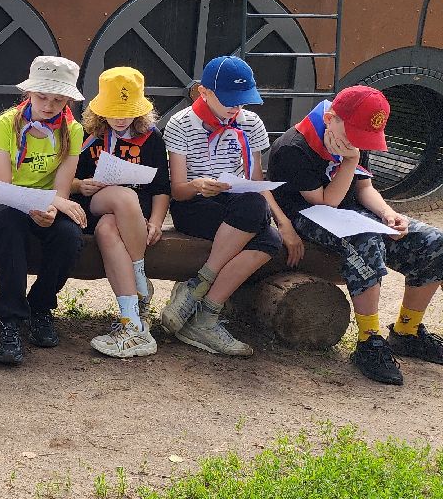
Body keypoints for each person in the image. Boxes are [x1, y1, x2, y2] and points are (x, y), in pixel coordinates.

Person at [270, 86, 443, 385]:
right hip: (311, 217)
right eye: (355, 137)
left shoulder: (351, 137)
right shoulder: (293, 148)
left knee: (435, 242)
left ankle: (407, 330)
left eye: (364, 141)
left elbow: (363, 188)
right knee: (367, 241)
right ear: (330, 117)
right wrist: (350, 160)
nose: (358, 145)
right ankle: (369, 340)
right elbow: (327, 202)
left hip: (353, 216)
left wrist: (388, 214)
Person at [159, 55, 303, 357]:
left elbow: (256, 180)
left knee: (272, 238)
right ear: (204, 92)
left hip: (240, 206)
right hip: (196, 206)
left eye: (242, 101)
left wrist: (284, 223)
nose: (236, 108)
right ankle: (204, 311)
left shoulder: (250, 123)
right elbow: (178, 191)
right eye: (229, 101)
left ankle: (201, 300)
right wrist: (199, 185)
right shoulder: (181, 123)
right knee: (257, 218)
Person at [0, 56, 88, 367]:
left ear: (68, 98)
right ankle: (10, 321)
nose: (49, 105)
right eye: (42, 96)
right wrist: (49, 203)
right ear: (30, 93)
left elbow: (62, 188)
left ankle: (40, 307)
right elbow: (2, 185)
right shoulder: (6, 123)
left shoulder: (72, 130)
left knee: (69, 236)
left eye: (58, 99)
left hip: (49, 200)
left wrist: (51, 206)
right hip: (3, 198)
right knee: (12, 225)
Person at [70, 67, 169, 359]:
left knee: (108, 231)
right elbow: (67, 180)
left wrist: (156, 221)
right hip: (95, 203)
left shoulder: (151, 137)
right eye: (114, 111)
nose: (120, 117)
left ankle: (131, 324)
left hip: (134, 215)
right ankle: (141, 283)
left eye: (126, 111)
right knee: (123, 197)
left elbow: (162, 187)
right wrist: (80, 185)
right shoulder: (89, 134)